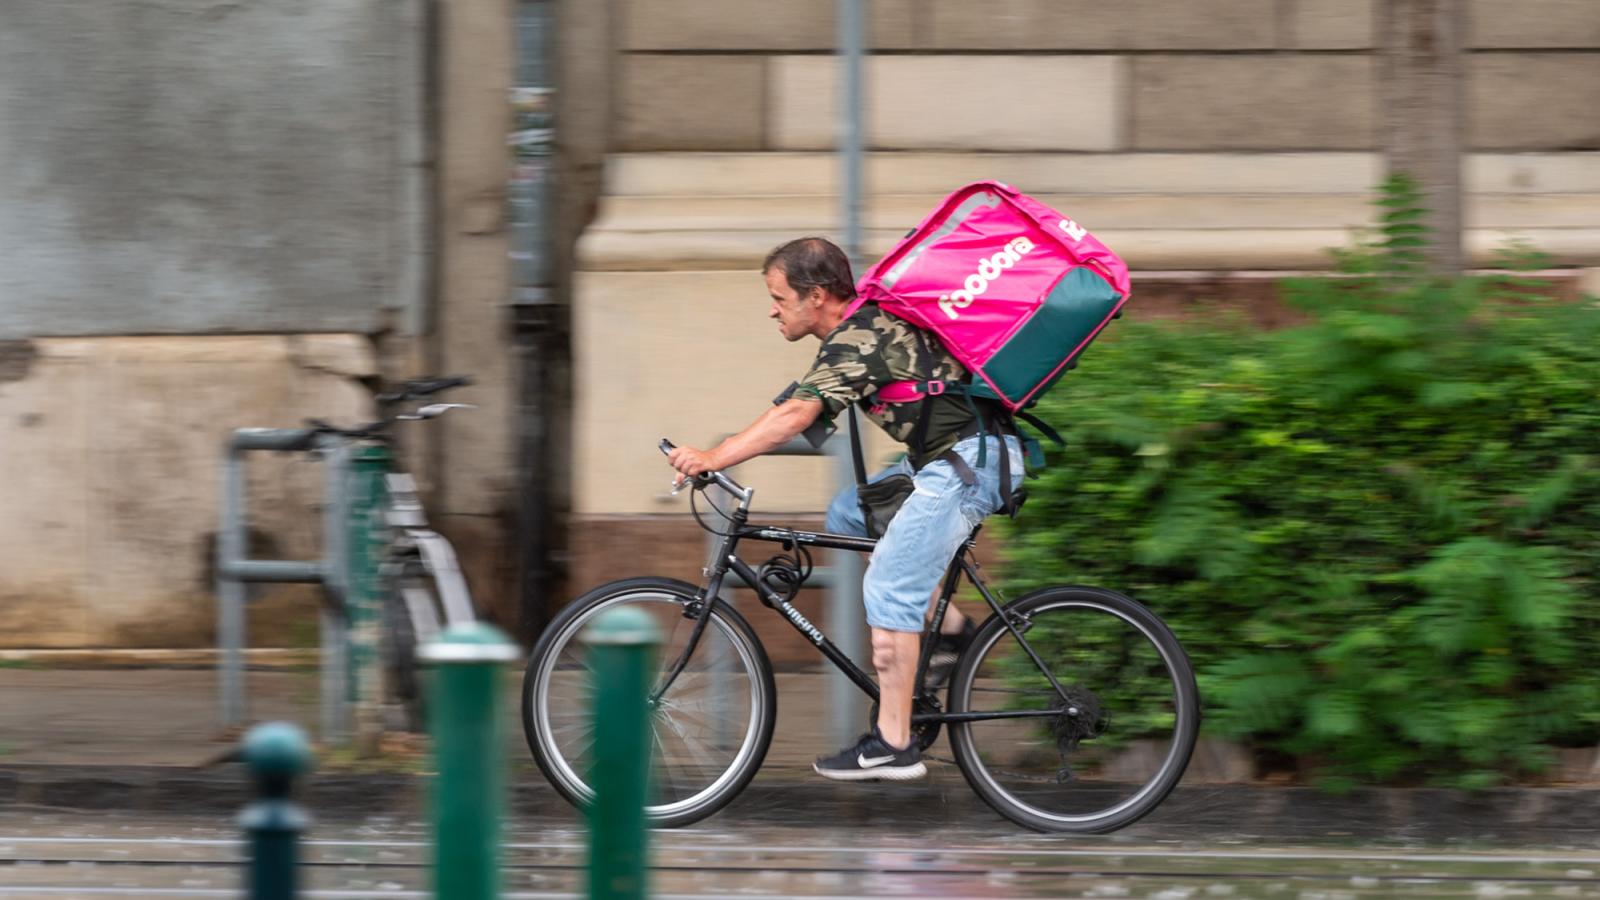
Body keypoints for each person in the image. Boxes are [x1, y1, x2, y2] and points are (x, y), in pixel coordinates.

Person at [666, 236, 1023, 782]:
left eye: (779, 297)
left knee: (890, 587)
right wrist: (727, 451)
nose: (772, 310)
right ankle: (949, 631)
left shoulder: (862, 334)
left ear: (816, 296)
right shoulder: (854, 334)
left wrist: (714, 457)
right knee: (851, 515)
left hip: (970, 463)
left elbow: (794, 417)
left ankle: (894, 744)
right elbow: (794, 409)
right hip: (950, 459)